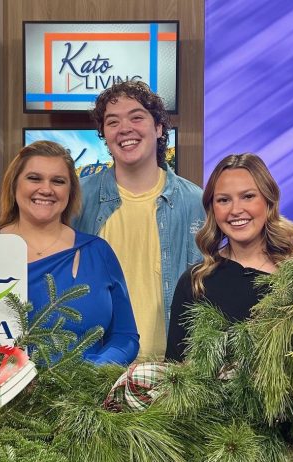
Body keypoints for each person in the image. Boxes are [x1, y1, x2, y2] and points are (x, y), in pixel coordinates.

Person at [75, 80, 204, 362]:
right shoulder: (77, 200)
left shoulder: (196, 203)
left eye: (136, 117)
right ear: (104, 135)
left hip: (173, 371)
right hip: (94, 371)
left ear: (158, 128)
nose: (125, 129)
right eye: (112, 122)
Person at [0, 140, 139, 365]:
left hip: (83, 396)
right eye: (34, 178)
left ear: (70, 192)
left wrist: (89, 374)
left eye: (58, 181)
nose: (46, 189)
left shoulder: (98, 253)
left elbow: (125, 337)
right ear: (14, 185)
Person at [167, 153, 293, 362]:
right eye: (224, 200)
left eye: (248, 196)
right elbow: (176, 376)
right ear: (212, 209)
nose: (236, 210)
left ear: (268, 200)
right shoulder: (194, 283)